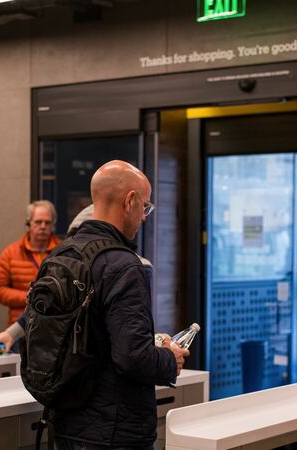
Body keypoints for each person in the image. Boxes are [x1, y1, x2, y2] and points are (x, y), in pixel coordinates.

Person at [48, 160, 188, 450]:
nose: (145, 216)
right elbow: (132, 357)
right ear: (130, 201)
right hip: (114, 431)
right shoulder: (124, 265)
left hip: (64, 421)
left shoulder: (59, 256)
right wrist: (168, 360)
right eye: (145, 207)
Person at [0, 200, 61, 326]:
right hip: (20, 326)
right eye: (38, 222)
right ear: (29, 223)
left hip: (54, 325)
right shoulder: (11, 253)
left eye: (48, 222)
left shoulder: (63, 252)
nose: (43, 226)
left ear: (53, 224)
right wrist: (29, 297)